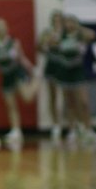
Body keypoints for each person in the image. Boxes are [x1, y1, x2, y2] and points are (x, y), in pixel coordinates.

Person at [0, 17, 39, 151]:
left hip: (18, 73)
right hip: (6, 76)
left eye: (4, 26)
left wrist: (32, 69)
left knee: (27, 98)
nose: (2, 29)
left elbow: (22, 58)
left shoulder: (14, 42)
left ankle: (38, 80)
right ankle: (16, 131)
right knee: (11, 105)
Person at [55, 14, 96, 147]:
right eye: (67, 22)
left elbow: (92, 34)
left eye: (71, 22)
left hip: (78, 71)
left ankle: (88, 128)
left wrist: (79, 28)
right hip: (65, 71)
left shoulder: (81, 35)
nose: (69, 25)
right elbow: (48, 42)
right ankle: (72, 128)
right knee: (69, 102)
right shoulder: (61, 36)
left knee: (84, 102)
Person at [37, 9, 64, 143]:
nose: (57, 22)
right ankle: (55, 124)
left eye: (59, 19)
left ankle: (72, 125)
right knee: (53, 96)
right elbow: (40, 47)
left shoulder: (66, 33)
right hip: (51, 67)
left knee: (68, 96)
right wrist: (47, 41)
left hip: (64, 67)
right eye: (55, 19)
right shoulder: (47, 33)